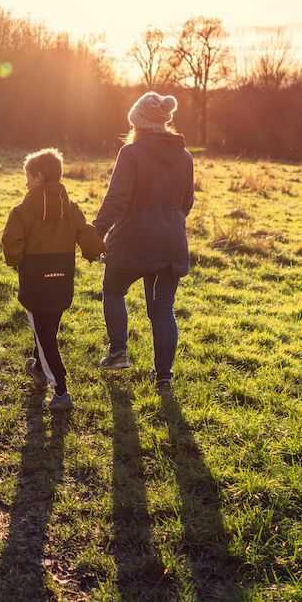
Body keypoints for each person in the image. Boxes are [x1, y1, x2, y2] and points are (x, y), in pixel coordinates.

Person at [93, 92, 194, 387]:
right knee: (163, 310)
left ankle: (118, 352)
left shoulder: (131, 153)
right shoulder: (185, 157)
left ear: (137, 122)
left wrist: (96, 231)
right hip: (171, 244)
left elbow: (116, 200)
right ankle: (164, 377)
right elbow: (187, 202)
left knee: (113, 290)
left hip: (132, 242)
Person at [1, 148, 103, 411]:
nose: (25, 182)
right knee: (48, 328)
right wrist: (97, 252)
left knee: (45, 335)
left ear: (37, 177)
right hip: (63, 277)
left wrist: (15, 260)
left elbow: (12, 244)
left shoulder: (22, 211)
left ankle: (60, 390)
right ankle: (37, 367)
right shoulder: (71, 209)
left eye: (27, 176)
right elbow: (86, 234)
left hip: (35, 279)